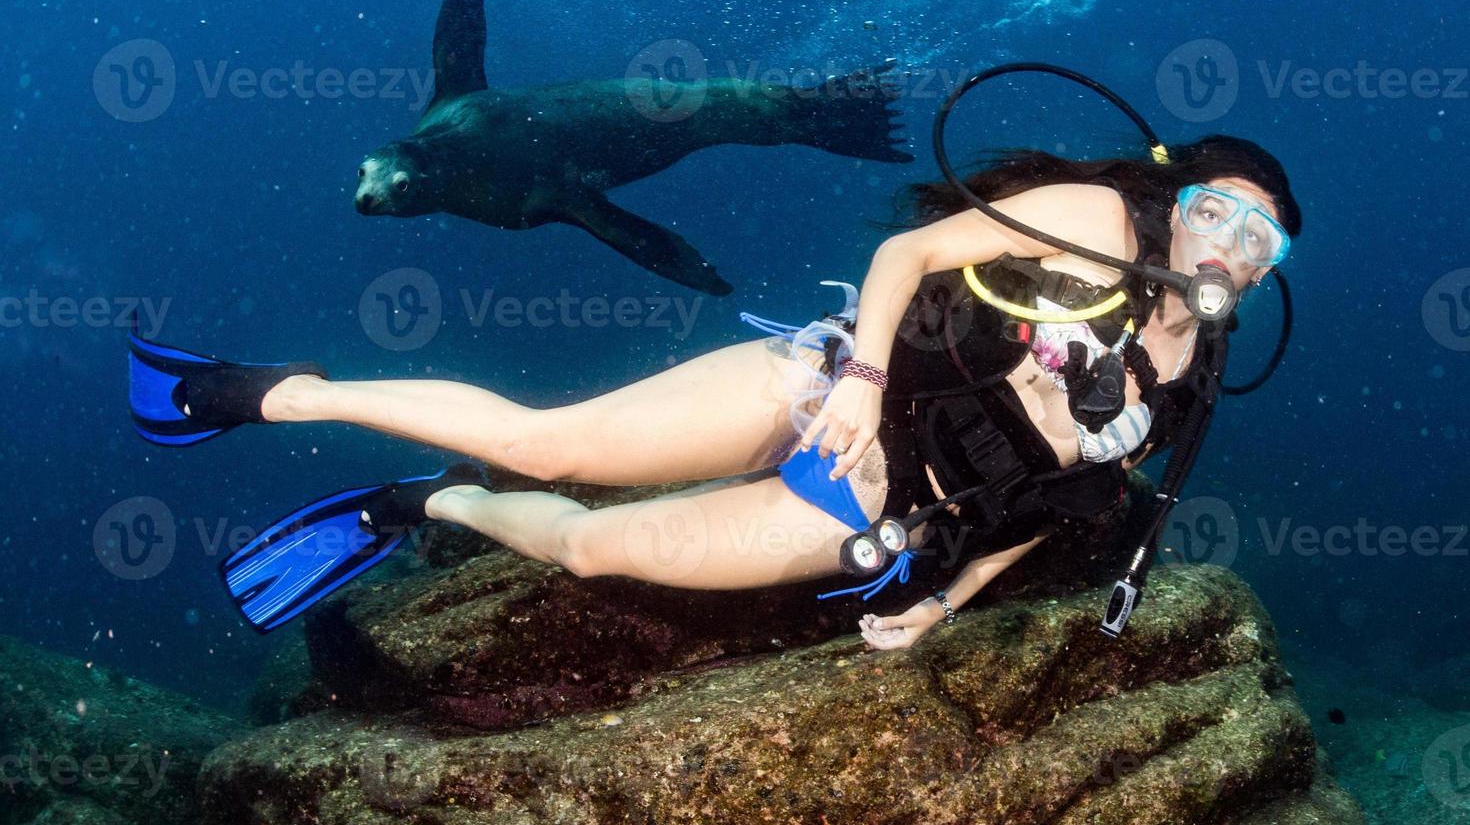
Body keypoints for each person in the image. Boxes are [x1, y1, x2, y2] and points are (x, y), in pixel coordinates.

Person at [129, 135, 1300, 646]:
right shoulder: (1096, 224)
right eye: (1217, 209)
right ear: (1176, 203)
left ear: (1266, 270)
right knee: (553, 444)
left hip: (870, 510)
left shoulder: (1194, 387)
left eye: (1262, 238)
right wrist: (865, 376)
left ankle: (416, 506)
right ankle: (279, 392)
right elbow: (907, 259)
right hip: (825, 388)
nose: (1230, 242)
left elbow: (1058, 512)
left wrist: (941, 604)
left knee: (593, 550)